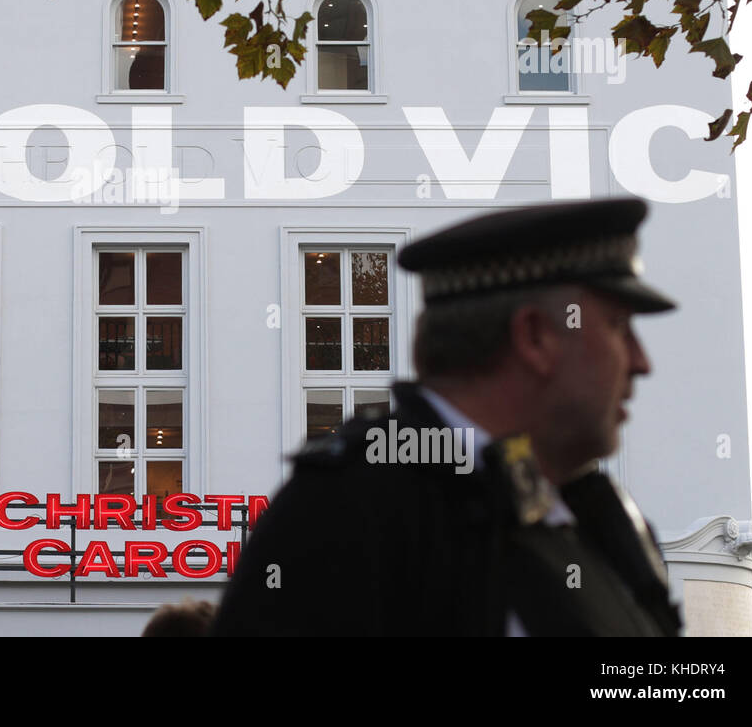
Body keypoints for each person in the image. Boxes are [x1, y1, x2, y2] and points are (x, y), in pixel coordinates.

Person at [211, 197, 682, 636]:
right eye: (619, 327)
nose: (641, 362)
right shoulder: (347, 512)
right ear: (536, 338)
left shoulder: (587, 513)